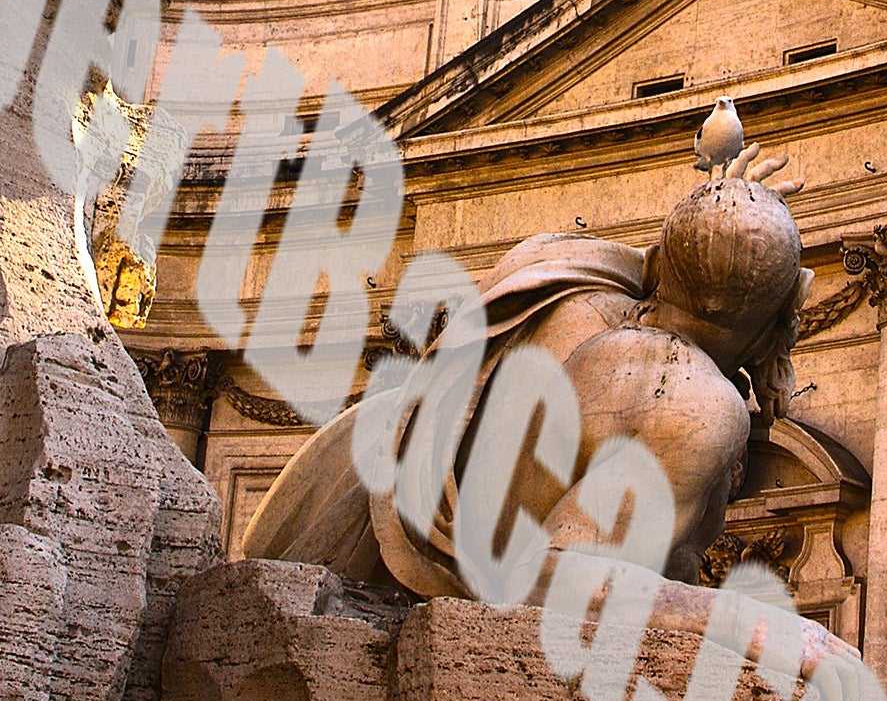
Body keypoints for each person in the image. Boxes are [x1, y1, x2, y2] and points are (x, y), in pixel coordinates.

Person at [244, 133, 811, 608]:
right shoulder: (696, 405)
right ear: (784, 317)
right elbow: (561, 584)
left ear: (661, 261)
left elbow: (675, 278)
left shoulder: (557, 279)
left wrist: (719, 219)